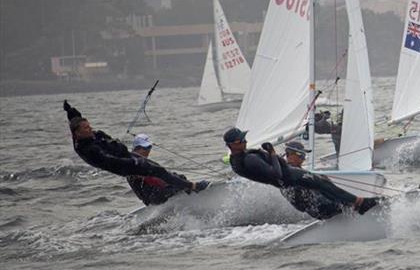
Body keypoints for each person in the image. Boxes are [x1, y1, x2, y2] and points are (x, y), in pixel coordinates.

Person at [223, 127, 380, 220]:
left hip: (287, 182)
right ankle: (359, 203)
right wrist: (271, 153)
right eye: (242, 140)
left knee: (321, 186)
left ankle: (348, 206)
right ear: (233, 144)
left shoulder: (236, 161)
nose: (245, 141)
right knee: (322, 183)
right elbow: (276, 174)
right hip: (289, 177)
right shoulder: (249, 159)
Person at [63, 100, 203, 194]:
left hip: (126, 156)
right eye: (86, 128)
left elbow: (75, 119)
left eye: (89, 126)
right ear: (78, 132)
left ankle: (181, 184)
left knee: (158, 168)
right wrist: (133, 162)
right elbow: (109, 161)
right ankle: (193, 187)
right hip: (123, 165)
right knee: (157, 171)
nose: (90, 129)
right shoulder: (89, 149)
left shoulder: (82, 132)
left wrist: (70, 111)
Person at [126, 134, 208, 206]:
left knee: (179, 177)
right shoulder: (135, 164)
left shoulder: (136, 160)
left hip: (154, 196)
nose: (148, 150)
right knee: (175, 182)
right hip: (154, 198)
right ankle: (195, 189)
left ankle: (191, 191)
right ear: (137, 148)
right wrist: (191, 185)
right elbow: (156, 180)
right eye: (146, 147)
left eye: (150, 146)